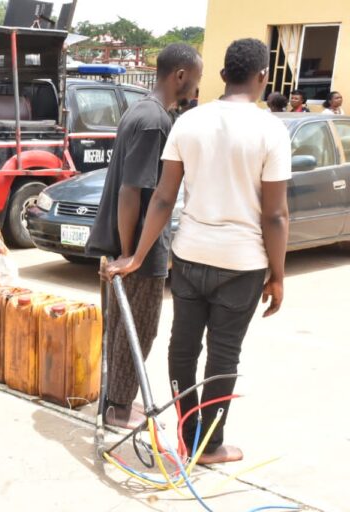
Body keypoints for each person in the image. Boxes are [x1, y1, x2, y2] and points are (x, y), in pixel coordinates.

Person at [105, 38, 291, 464]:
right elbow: (276, 215)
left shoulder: (188, 123)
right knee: (223, 355)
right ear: (263, 77)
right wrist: (278, 275)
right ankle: (209, 445)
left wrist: (135, 256)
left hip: (189, 257)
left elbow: (163, 199)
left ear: (223, 75)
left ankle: (189, 436)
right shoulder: (271, 130)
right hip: (243, 264)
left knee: (182, 349)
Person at [85, 43, 203, 429]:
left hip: (128, 243)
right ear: (180, 75)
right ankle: (119, 407)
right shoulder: (155, 122)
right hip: (137, 245)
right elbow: (131, 191)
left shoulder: (140, 110)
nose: (196, 88)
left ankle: (114, 402)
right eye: (196, 79)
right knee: (140, 328)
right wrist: (130, 253)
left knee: (122, 326)